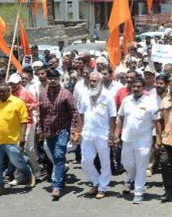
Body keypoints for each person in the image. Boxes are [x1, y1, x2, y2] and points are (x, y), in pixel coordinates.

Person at [114, 77, 159, 204]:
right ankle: (132, 177)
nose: (136, 89)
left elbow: (156, 122)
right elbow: (120, 118)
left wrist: (158, 139)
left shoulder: (150, 102)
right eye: (134, 86)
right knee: (126, 164)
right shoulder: (126, 101)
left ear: (143, 88)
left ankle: (139, 192)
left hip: (144, 140)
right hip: (127, 139)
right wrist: (116, 135)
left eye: (139, 86)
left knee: (141, 166)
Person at [38, 69, 79, 200]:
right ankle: (62, 177)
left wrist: (73, 131)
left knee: (59, 155)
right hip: (49, 132)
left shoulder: (66, 94)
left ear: (59, 79)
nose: (52, 80)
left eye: (55, 77)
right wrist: (41, 130)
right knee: (56, 159)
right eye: (50, 77)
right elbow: (42, 114)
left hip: (63, 131)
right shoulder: (43, 94)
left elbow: (74, 113)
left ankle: (57, 186)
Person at [77, 72, 116, 199]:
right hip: (88, 133)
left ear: (100, 82)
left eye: (95, 81)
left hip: (102, 133)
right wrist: (78, 132)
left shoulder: (107, 96)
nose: (92, 83)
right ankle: (96, 182)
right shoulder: (84, 95)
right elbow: (81, 115)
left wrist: (111, 134)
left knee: (105, 162)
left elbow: (112, 116)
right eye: (90, 80)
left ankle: (103, 187)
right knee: (85, 160)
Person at [0, 83, 35, 194]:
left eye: (3, 91)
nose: (1, 93)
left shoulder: (18, 102)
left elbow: (23, 121)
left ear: (9, 91)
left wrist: (22, 138)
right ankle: (1, 185)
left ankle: (28, 175)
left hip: (12, 140)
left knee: (17, 162)